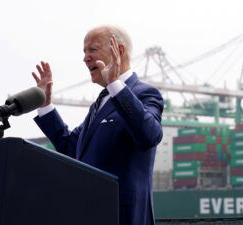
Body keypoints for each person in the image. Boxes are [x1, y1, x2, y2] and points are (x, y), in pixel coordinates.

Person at [32, 25, 164, 225]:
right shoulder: (100, 103)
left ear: (118, 51)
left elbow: (150, 135)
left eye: (92, 49)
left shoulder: (145, 93)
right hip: (90, 213)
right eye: (84, 52)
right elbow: (71, 147)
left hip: (123, 217)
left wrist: (116, 86)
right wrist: (45, 106)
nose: (85, 58)